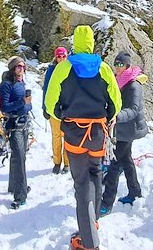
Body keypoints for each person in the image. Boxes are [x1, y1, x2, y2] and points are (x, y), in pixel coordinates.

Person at [45, 25, 121, 250]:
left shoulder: (64, 67)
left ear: (74, 43)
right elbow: (116, 102)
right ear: (91, 42)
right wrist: (107, 116)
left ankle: (88, 242)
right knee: (95, 173)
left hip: (74, 131)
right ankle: (92, 222)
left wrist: (61, 114)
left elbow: (51, 102)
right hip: (98, 131)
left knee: (81, 182)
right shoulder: (104, 68)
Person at [100, 50, 148, 215]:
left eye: (121, 64)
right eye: (116, 63)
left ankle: (106, 203)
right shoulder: (118, 81)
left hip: (129, 128)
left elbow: (133, 110)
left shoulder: (133, 85)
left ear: (128, 65)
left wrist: (116, 116)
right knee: (126, 160)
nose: (117, 67)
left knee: (114, 164)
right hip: (122, 128)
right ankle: (135, 191)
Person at [0, 56, 33, 208]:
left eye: (23, 66)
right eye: (18, 66)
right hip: (14, 125)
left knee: (19, 156)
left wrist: (27, 105)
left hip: (23, 123)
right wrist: (23, 103)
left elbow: (26, 105)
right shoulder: (6, 84)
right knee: (19, 158)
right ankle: (20, 195)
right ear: (13, 68)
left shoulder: (20, 82)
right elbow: (5, 107)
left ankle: (14, 186)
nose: (21, 69)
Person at [42, 46, 71, 174]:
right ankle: (57, 162)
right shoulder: (51, 70)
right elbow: (46, 89)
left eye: (63, 56)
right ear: (55, 57)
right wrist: (45, 107)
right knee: (56, 137)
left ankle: (67, 163)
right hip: (54, 109)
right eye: (59, 56)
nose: (61, 58)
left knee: (68, 137)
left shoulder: (70, 69)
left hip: (68, 108)